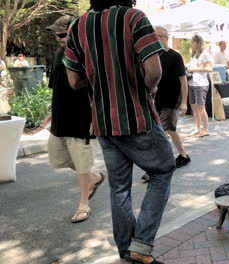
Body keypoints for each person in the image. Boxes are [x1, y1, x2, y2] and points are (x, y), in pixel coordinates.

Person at [63, 1, 175, 263]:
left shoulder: (77, 26)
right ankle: (142, 244)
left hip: (103, 123)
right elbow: (155, 71)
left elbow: (74, 80)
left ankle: (127, 252)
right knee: (163, 170)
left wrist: (99, 81)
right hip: (137, 119)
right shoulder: (133, 18)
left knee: (119, 188)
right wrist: (143, 90)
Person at [41, 15, 104, 224]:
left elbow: (98, 87)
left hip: (81, 119)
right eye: (56, 34)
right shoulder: (59, 53)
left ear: (72, 31)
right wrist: (51, 112)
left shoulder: (88, 53)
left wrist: (95, 117)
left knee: (82, 163)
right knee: (59, 158)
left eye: (61, 34)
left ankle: (84, 203)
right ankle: (94, 179)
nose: (58, 38)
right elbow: (56, 87)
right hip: (60, 118)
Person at [150, 26, 191, 170]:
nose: (154, 39)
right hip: (158, 99)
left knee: (161, 133)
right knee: (171, 130)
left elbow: (183, 81)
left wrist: (184, 102)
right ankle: (184, 155)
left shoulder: (175, 56)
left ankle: (160, 164)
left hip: (172, 100)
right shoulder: (155, 57)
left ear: (166, 38)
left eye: (157, 36)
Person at [187, 34, 212, 138]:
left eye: (192, 42)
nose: (191, 44)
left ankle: (205, 129)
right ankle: (197, 128)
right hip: (192, 83)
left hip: (201, 84)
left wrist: (193, 69)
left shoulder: (205, 54)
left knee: (201, 108)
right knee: (194, 108)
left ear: (197, 43)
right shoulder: (194, 54)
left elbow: (209, 68)